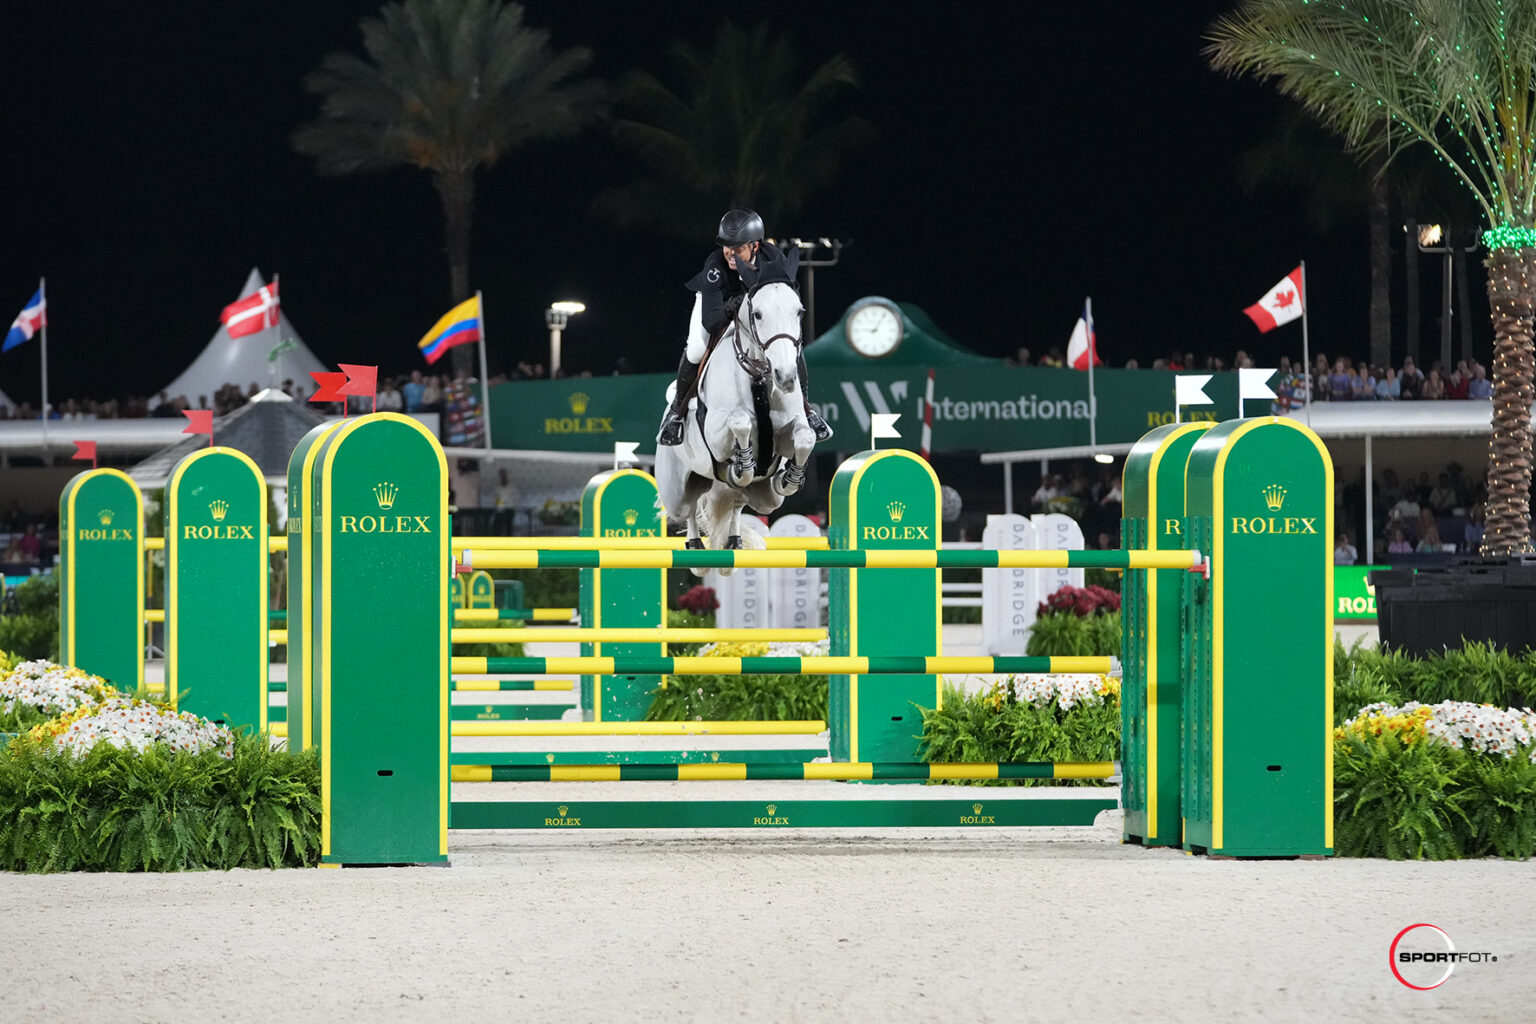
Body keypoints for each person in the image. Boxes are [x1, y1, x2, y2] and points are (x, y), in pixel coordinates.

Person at [658, 208, 832, 446]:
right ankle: (676, 413)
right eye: (726, 246)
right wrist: (734, 305)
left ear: (755, 246)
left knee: (789, 348)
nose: (730, 252)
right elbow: (712, 321)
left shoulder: (773, 259)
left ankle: (806, 411)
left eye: (738, 247)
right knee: (697, 348)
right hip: (720, 308)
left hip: (759, 315)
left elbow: (789, 299)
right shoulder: (715, 268)